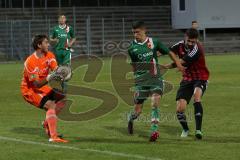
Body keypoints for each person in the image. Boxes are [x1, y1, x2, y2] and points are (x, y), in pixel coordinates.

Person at [127, 21, 185, 142]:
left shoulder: (154, 42)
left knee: (155, 102)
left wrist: (178, 64)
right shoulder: (132, 47)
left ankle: (154, 131)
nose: (135, 35)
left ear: (144, 31)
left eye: (137, 32)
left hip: (155, 78)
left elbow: (169, 52)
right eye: (133, 33)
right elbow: (134, 65)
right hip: (141, 80)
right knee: (137, 111)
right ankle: (131, 119)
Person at [21, 35, 68, 143]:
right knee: (51, 105)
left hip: (42, 87)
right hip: (29, 90)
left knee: (62, 97)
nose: (48, 44)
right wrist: (50, 76)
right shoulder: (30, 62)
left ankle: (47, 123)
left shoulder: (49, 55)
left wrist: (62, 73)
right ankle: (53, 136)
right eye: (46, 42)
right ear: (39, 45)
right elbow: (36, 84)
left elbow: (55, 70)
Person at [164, 28, 210, 139]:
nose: (190, 44)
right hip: (187, 78)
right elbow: (168, 50)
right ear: (185, 37)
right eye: (189, 41)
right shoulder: (179, 45)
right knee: (180, 108)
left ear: (197, 40)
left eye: (193, 42)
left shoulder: (197, 48)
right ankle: (185, 129)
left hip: (201, 77)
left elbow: (182, 62)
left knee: (197, 96)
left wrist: (166, 67)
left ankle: (198, 130)